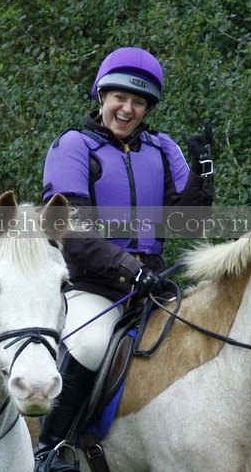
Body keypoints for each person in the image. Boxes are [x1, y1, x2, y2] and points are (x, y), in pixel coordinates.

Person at [35, 47, 214, 471]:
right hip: (92, 286)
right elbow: (72, 231)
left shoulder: (163, 148)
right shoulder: (73, 146)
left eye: (138, 102)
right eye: (119, 97)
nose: (127, 109)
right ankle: (51, 450)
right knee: (90, 344)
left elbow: (187, 224)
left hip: (152, 284)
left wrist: (203, 175)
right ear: (101, 96)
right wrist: (129, 270)